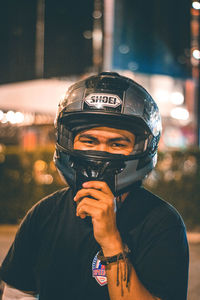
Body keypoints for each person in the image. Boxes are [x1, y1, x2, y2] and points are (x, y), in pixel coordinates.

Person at [0, 72, 189, 300]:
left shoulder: (162, 222)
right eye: (89, 141)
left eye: (117, 143)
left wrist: (111, 240)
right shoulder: (44, 214)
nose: (101, 152)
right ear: (69, 140)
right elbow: (18, 294)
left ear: (140, 149)